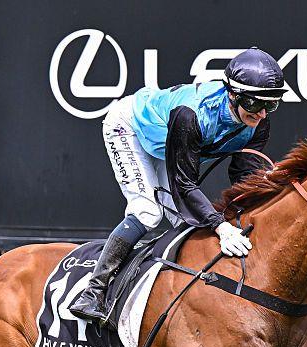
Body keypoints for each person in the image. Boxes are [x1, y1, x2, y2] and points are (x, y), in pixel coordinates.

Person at [69, 47, 287, 324]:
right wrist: (221, 226)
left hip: (167, 143)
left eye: (271, 104)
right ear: (233, 94)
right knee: (147, 211)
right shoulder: (192, 115)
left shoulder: (259, 122)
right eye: (255, 104)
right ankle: (93, 291)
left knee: (183, 222)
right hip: (131, 128)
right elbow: (185, 183)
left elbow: (244, 175)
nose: (262, 114)